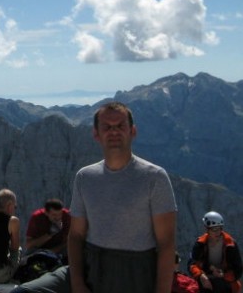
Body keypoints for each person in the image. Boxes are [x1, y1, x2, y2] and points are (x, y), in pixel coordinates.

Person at [10, 101, 177, 293]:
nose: (114, 131)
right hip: (88, 267)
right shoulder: (85, 177)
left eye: (120, 126)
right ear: (96, 134)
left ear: (133, 131)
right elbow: (76, 235)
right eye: (107, 127)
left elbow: (166, 243)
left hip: (134, 272)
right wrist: (79, 284)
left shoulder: (155, 177)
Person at [188, 211, 242, 293]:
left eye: (219, 228)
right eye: (214, 229)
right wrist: (201, 276)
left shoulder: (230, 244)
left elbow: (238, 270)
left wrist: (223, 275)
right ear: (207, 229)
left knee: (218, 285)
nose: (217, 232)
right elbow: (192, 264)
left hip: (225, 281)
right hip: (206, 277)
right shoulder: (200, 243)